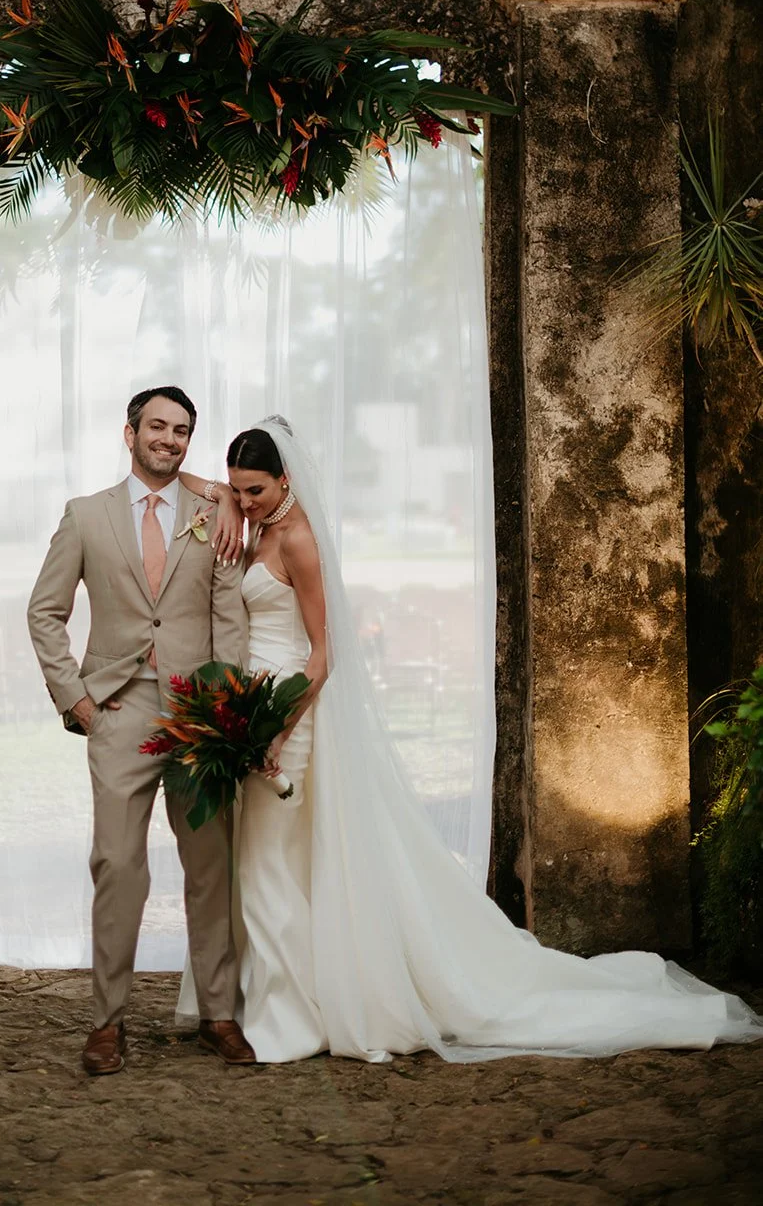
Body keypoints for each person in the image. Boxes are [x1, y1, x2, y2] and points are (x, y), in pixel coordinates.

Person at [181, 415, 763, 1064]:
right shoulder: (253, 521)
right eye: (234, 490)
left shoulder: (299, 543)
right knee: (269, 864)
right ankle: (287, 999)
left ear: (286, 480)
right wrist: (218, 498)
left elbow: (324, 654)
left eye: (253, 490)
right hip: (245, 708)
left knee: (265, 865)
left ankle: (283, 1017)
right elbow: (175, 476)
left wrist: (277, 729)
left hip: (289, 714)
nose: (241, 501)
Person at [27, 385, 254, 1075]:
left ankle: (219, 1014)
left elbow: (229, 618)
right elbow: (44, 613)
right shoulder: (85, 517)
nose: (169, 438)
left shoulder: (210, 514)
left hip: (195, 716)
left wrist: (227, 709)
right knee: (118, 867)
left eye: (182, 430)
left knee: (210, 867)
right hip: (119, 711)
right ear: (129, 434)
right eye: (157, 426)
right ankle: (106, 1022)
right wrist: (80, 703)